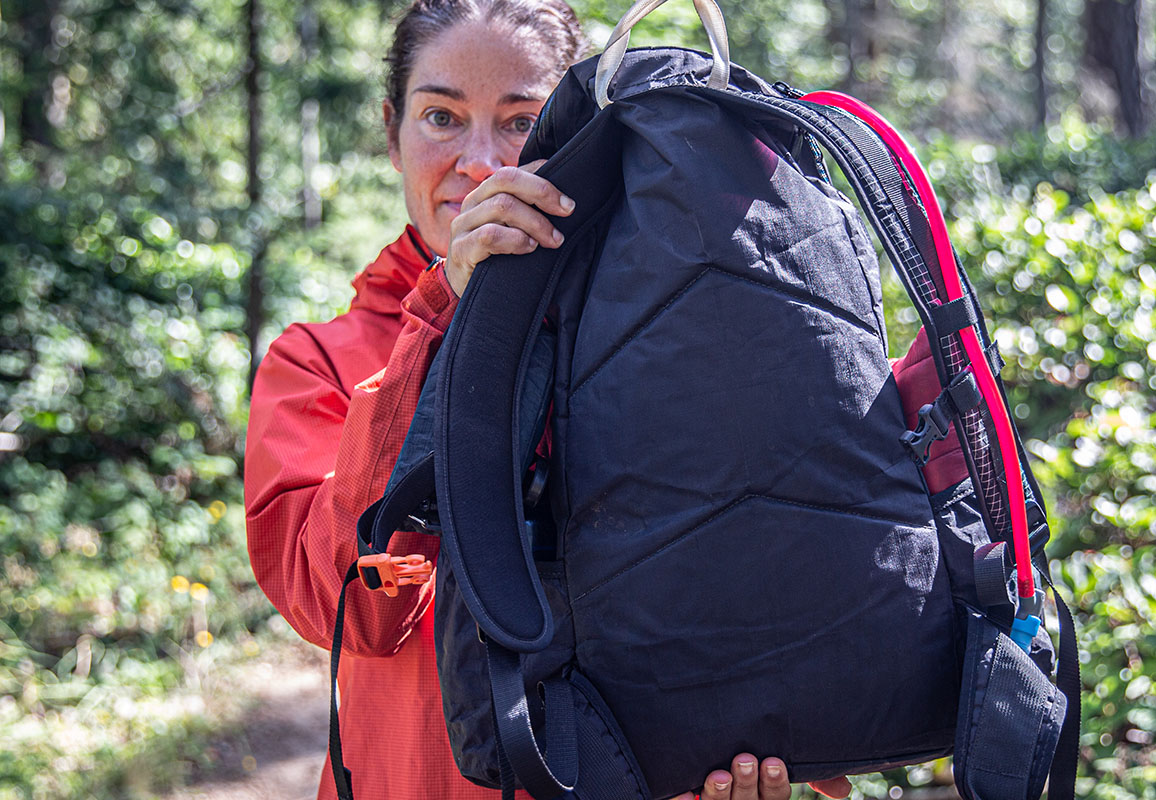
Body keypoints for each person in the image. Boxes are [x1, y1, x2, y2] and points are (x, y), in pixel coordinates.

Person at [245, 1, 854, 798]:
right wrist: (446, 324)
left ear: (573, 130)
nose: (481, 162)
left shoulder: (655, 340)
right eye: (440, 116)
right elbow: (350, 610)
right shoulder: (318, 361)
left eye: (521, 120)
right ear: (390, 131)